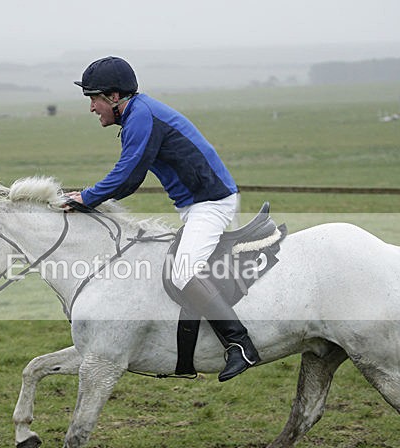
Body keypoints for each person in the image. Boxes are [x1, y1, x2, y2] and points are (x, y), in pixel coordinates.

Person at [65, 56, 260, 382]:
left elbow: (128, 176)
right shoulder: (137, 114)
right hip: (198, 205)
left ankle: (240, 345)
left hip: (211, 204)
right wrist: (89, 198)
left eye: (94, 99)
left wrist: (86, 198)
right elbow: (127, 179)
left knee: (184, 272)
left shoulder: (141, 117)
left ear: (114, 97)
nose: (91, 108)